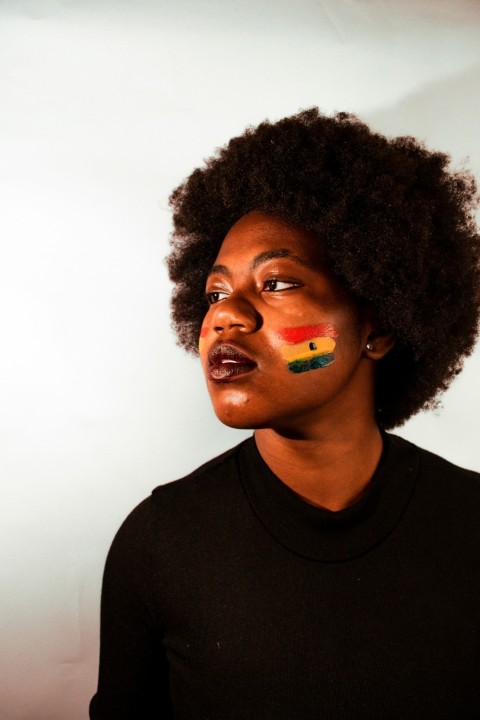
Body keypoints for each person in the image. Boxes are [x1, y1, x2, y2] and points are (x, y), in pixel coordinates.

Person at [89, 109, 480, 719]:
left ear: (378, 327)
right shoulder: (160, 543)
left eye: (276, 283)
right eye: (215, 293)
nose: (224, 315)